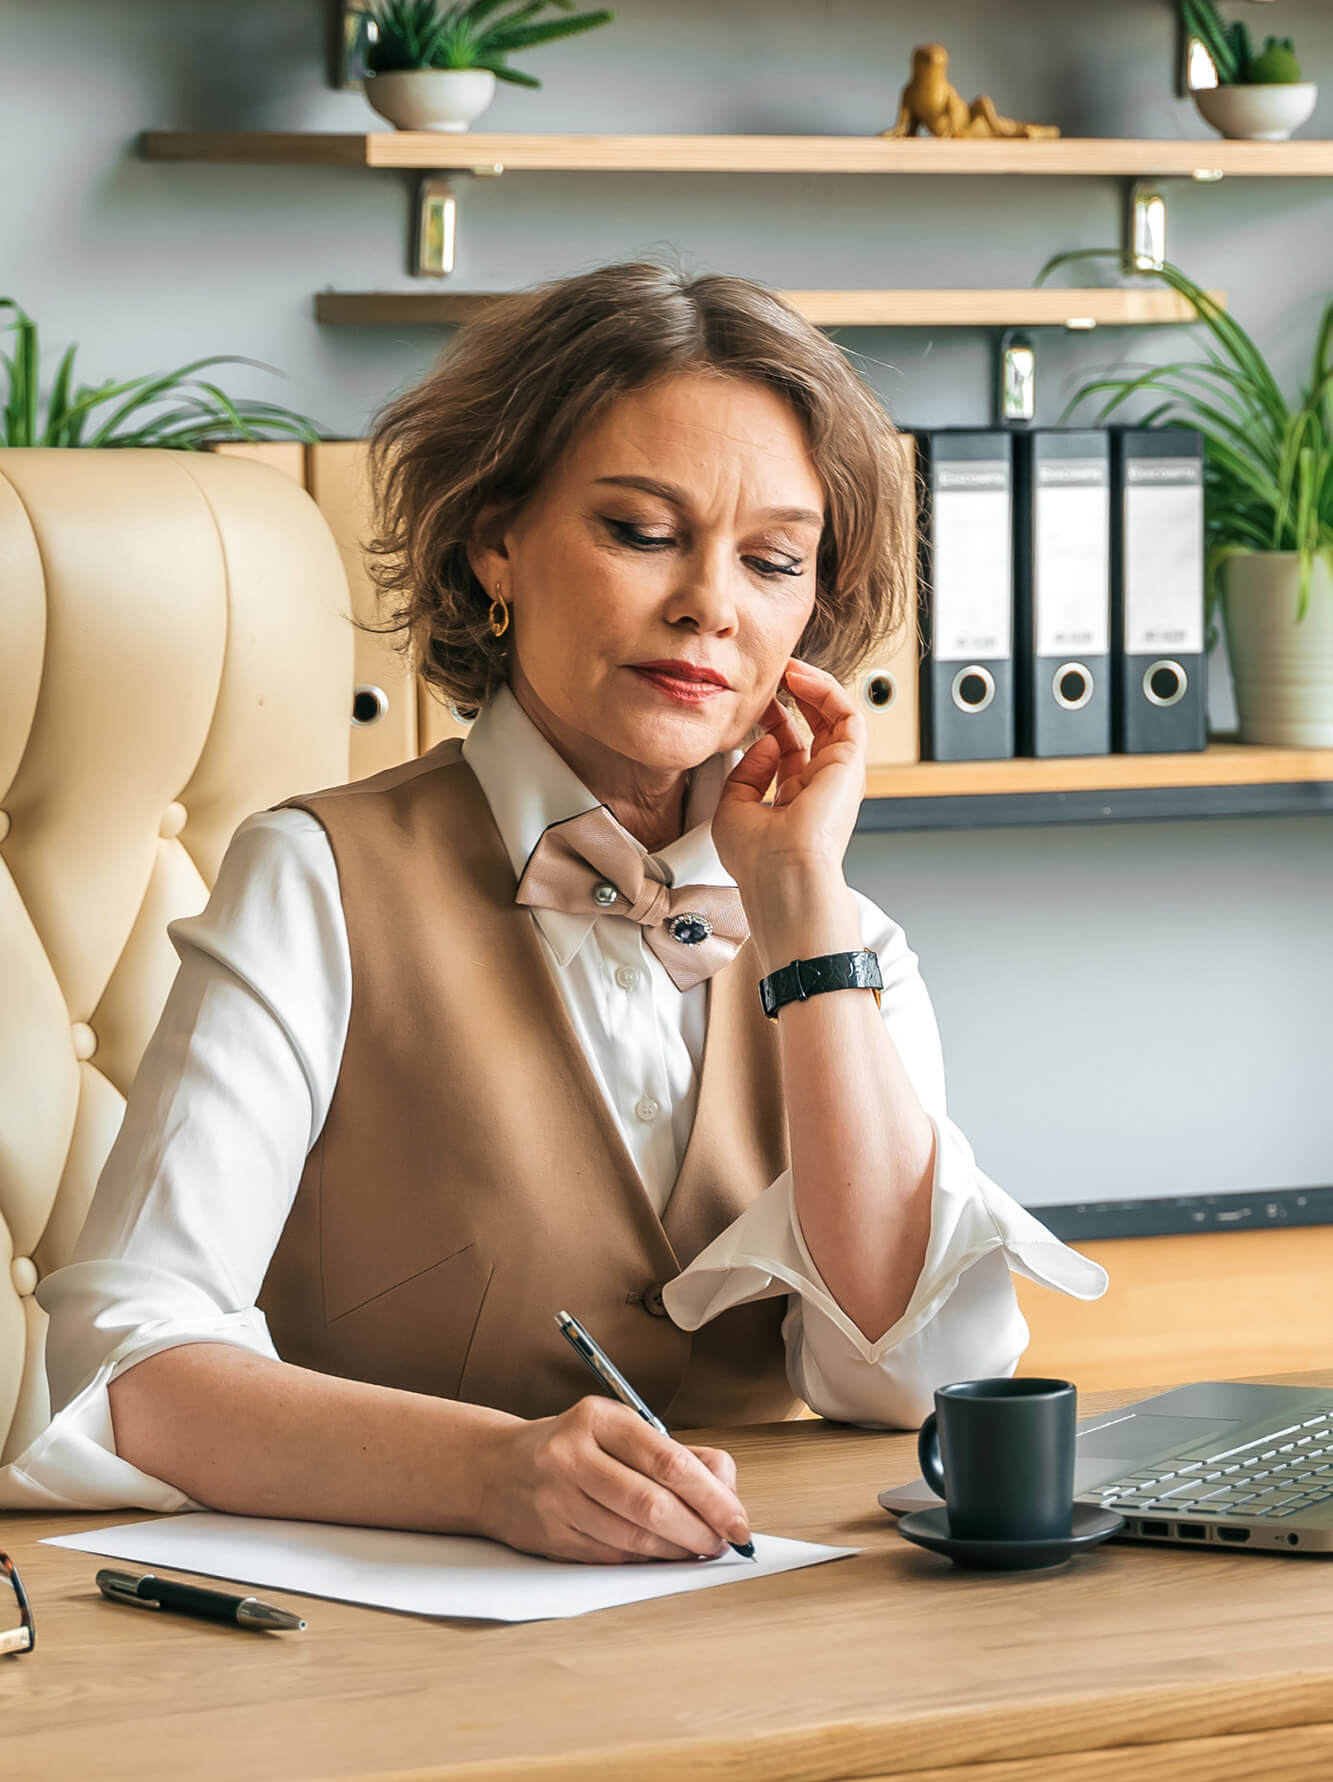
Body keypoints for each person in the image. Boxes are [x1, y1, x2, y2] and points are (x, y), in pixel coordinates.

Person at [0, 260, 1107, 1561]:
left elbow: (905, 1377)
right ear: (497, 541)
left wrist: (804, 918)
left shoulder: (844, 940)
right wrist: (490, 1472)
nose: (708, 603)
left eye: (770, 560)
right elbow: (127, 1366)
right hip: (394, 1643)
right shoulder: (315, 877)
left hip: (776, 1628)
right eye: (641, 533)